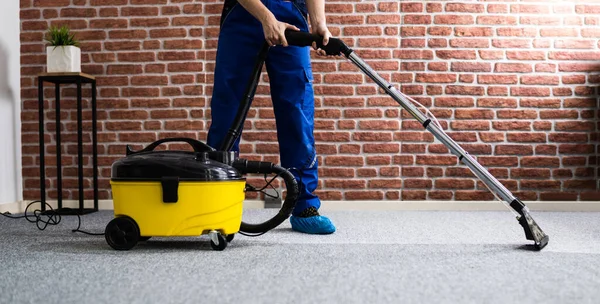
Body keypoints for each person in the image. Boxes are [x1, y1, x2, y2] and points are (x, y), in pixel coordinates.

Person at [206, 0, 336, 234]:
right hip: (243, 13)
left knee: (297, 110)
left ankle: (304, 205)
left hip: (292, 15)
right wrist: (266, 18)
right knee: (228, 110)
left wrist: (318, 23)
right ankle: (217, 203)